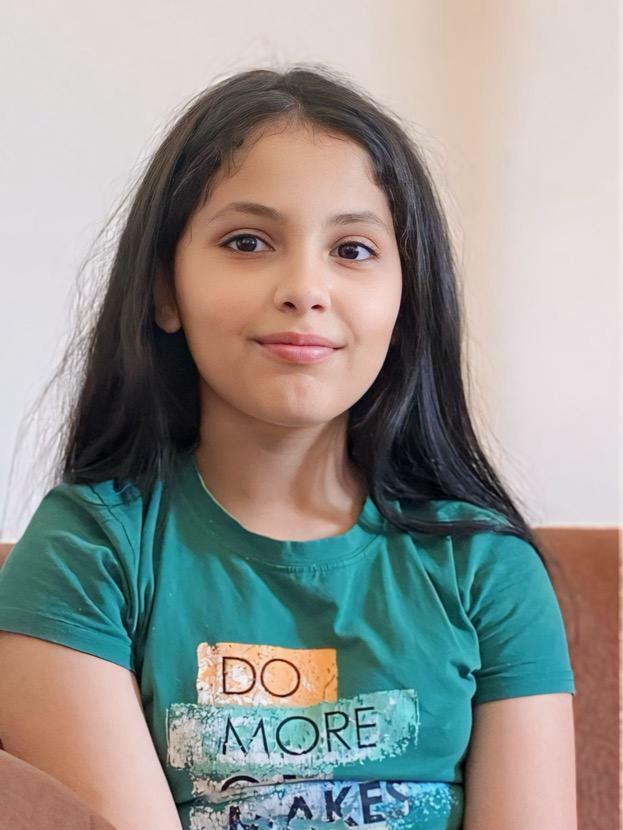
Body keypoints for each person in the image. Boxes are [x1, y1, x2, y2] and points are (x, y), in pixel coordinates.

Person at [0, 64, 577, 830]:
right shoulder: (87, 553)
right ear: (166, 288)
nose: (305, 288)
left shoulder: (489, 568)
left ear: (405, 301)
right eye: (247, 242)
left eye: (353, 250)